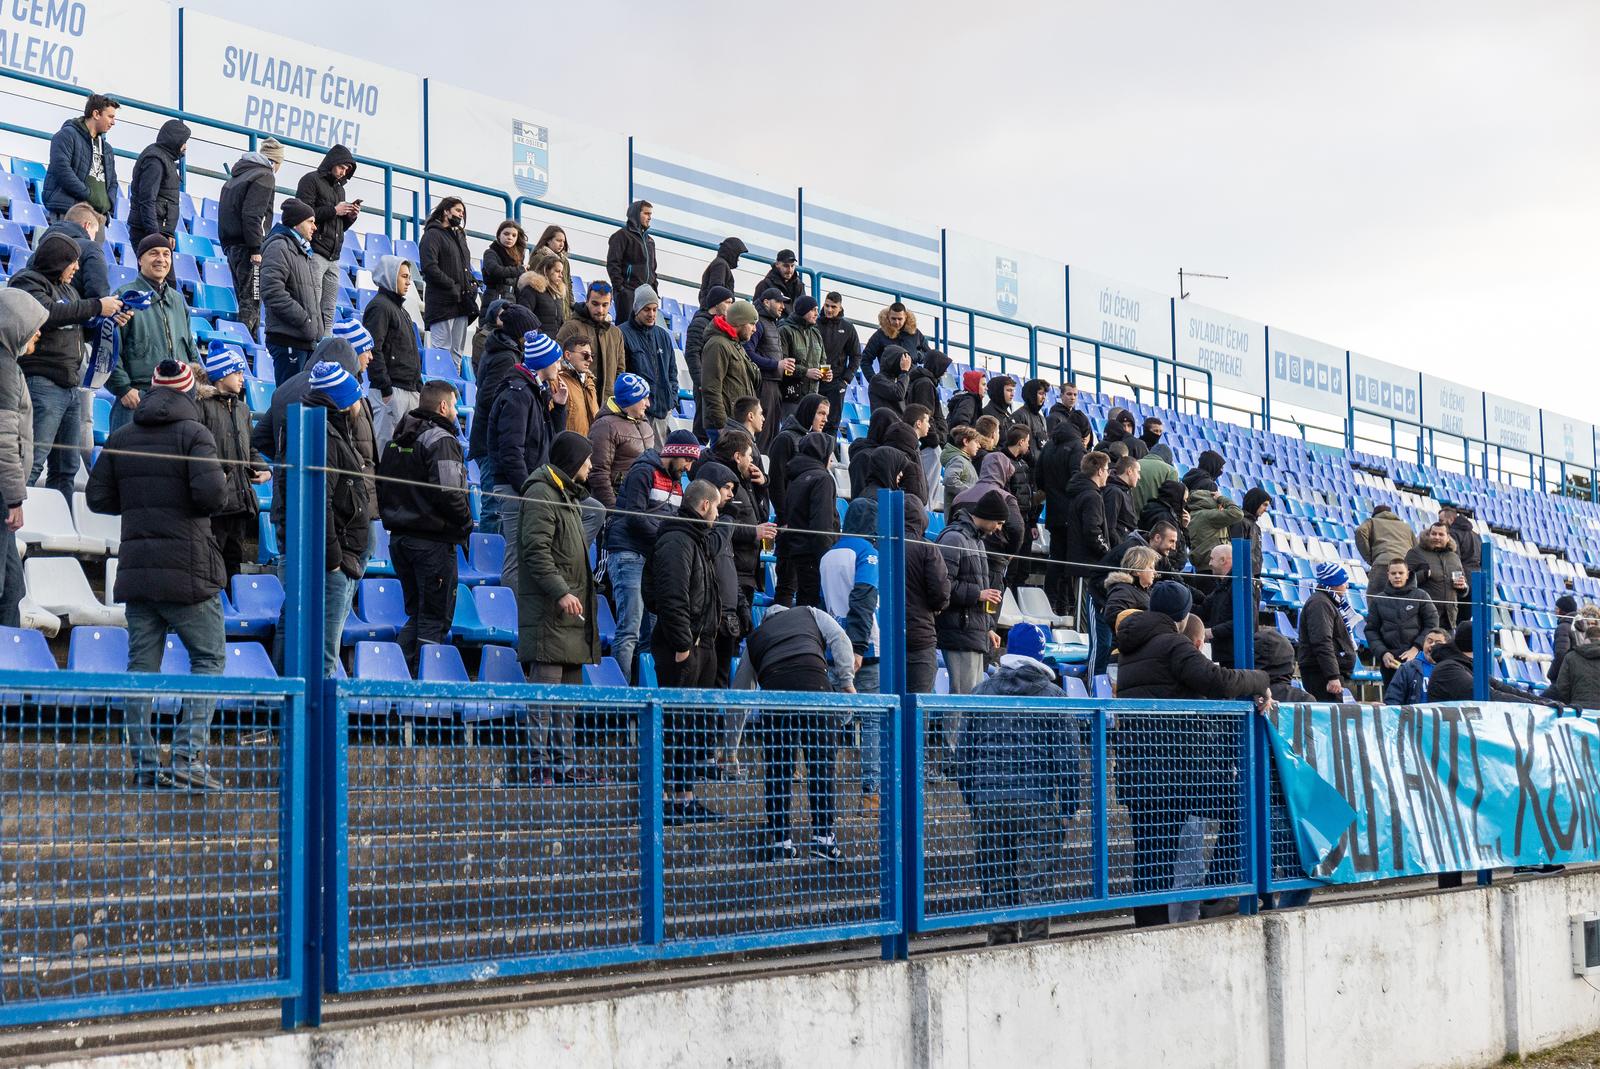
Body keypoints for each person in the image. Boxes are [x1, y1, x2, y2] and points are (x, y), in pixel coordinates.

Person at [87, 359, 228, 790]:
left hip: (139, 573)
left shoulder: (123, 435)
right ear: (187, 392)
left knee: (140, 669)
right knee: (209, 659)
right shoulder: (195, 435)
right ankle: (187, 757)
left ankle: (146, 765)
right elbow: (212, 496)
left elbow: (97, 498)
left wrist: (140, 502)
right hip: (189, 572)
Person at [1112, 581, 1271, 926]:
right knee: (1243, 808)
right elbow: (1219, 681)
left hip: (1140, 769)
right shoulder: (1172, 643)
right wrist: (1259, 679)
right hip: (1178, 768)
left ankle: (1150, 929)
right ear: (1183, 616)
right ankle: (1218, 891)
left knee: (1152, 855)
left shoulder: (1132, 646)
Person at [955, 622, 1072, 945]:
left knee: (996, 879)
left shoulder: (981, 692)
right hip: (1038, 801)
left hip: (988, 799)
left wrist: (973, 801)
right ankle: (1036, 949)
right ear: (1040, 654)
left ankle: (1001, 946)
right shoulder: (1054, 696)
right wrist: (1068, 808)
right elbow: (1068, 759)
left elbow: (964, 754)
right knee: (1037, 883)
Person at [732, 601, 857, 860]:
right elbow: (840, 638)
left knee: (779, 769)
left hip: (776, 693)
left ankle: (781, 841)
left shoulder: (756, 638)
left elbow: (739, 695)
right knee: (821, 765)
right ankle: (823, 838)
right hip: (815, 685)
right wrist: (846, 682)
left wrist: (730, 748)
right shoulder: (809, 613)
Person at [513, 432, 600, 784]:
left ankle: (565, 763)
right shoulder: (540, 493)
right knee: (544, 698)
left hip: (571, 618)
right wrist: (562, 592)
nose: (591, 467)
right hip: (551, 615)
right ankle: (539, 764)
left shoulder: (569, 497)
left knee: (568, 702)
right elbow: (536, 551)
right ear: (572, 463)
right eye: (587, 460)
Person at [10, 232, 124, 494]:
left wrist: (109, 320)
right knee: (31, 462)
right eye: (72, 261)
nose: (76, 267)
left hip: (70, 387)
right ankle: (13, 525)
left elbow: (77, 327)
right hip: (42, 384)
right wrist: (96, 306)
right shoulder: (27, 282)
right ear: (58, 259)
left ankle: (57, 523)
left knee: (66, 468)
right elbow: (47, 313)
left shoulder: (70, 290)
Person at [375, 380, 473, 671]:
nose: (456, 411)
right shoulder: (441, 440)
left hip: (400, 539)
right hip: (432, 544)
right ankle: (424, 689)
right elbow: (449, 492)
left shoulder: (397, 438)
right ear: (443, 406)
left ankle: (393, 677)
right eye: (454, 405)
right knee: (434, 620)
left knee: (417, 616)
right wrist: (466, 523)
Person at [651, 480, 723, 821]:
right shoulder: (677, 540)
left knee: (693, 725)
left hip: (701, 645)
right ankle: (667, 798)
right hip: (683, 647)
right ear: (705, 506)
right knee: (677, 723)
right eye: (718, 507)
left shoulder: (697, 540)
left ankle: (685, 796)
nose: (719, 513)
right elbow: (671, 596)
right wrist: (682, 644)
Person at [608, 430, 699, 682]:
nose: (689, 467)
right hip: (629, 554)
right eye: (687, 460)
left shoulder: (678, 483)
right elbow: (635, 516)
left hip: (653, 559)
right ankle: (621, 701)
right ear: (675, 453)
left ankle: (645, 693)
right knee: (630, 631)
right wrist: (667, 540)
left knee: (654, 634)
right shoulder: (643, 471)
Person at [301, 361, 372, 675]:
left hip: (348, 556)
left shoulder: (335, 432)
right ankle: (322, 723)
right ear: (343, 402)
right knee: (324, 656)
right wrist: (334, 559)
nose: (360, 405)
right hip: (337, 560)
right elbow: (322, 502)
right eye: (355, 398)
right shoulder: (327, 437)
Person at [492, 332, 567, 589]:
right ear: (543, 362)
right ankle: (511, 621)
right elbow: (511, 450)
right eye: (556, 361)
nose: (559, 366)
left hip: (528, 486)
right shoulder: (519, 394)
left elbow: (551, 440)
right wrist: (527, 489)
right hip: (517, 489)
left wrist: (558, 408)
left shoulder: (534, 390)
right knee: (516, 559)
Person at [105, 236, 197, 437]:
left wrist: (199, 382)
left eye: (166, 254)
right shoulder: (125, 296)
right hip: (138, 398)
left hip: (177, 399)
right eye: (153, 253)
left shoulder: (178, 300)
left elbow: (190, 345)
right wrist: (123, 389)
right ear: (140, 260)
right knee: (127, 464)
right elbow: (108, 348)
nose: (161, 259)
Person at [822, 502, 882, 798]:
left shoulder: (829, 553)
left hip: (834, 646)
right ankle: (871, 791)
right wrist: (858, 647)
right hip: (865, 648)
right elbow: (864, 598)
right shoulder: (868, 553)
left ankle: (824, 786)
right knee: (871, 720)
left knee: (834, 719)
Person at [196, 348, 268, 581]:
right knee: (211, 567)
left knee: (233, 565)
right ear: (221, 375)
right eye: (237, 372)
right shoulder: (202, 407)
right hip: (215, 504)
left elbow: (251, 449)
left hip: (240, 503)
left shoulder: (243, 409)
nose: (242, 377)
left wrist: (263, 468)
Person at [935, 490, 1008, 697]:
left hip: (972, 633)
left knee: (972, 698)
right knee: (961, 698)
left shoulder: (976, 541)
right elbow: (943, 585)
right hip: (957, 633)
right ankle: (953, 732)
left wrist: (987, 628)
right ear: (989, 516)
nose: (999, 529)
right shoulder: (954, 538)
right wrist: (978, 594)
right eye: (999, 523)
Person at [0, 291, 44, 626]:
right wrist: (15, 497)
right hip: (2, 496)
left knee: (11, 591)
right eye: (33, 326)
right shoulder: (3, 369)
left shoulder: (8, 365)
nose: (38, 333)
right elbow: (2, 440)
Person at [217, 137, 284, 337]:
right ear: (275, 161)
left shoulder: (238, 175)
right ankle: (246, 345)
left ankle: (247, 345)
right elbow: (253, 214)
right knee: (252, 300)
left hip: (232, 244)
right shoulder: (265, 176)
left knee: (243, 298)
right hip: (249, 247)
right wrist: (256, 248)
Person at [295, 145, 360, 333]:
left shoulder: (340, 190)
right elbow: (302, 214)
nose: (343, 172)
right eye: (341, 167)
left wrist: (350, 217)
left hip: (334, 257)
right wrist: (334, 210)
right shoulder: (310, 180)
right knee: (312, 303)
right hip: (314, 251)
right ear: (332, 163)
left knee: (329, 310)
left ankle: (325, 345)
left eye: (347, 169)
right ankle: (310, 343)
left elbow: (338, 225)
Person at [362, 255, 423, 450]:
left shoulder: (399, 308)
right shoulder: (379, 307)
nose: (408, 282)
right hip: (391, 392)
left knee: (403, 454)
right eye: (404, 276)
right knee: (385, 449)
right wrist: (385, 389)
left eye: (409, 277)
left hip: (408, 389)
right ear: (389, 276)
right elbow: (373, 349)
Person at [260, 198, 324, 383]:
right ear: (297, 223)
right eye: (310, 222)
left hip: (303, 341)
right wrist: (306, 320)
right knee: (290, 405)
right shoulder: (279, 247)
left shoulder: (303, 251)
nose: (315, 227)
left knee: (302, 406)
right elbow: (272, 292)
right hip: (288, 340)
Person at [777, 431, 840, 608]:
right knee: (814, 611)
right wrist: (827, 560)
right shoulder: (822, 479)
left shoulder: (796, 479)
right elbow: (821, 525)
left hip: (798, 554)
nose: (832, 460)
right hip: (815, 557)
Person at [767, 392, 830, 560]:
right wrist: (784, 517)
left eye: (826, 415)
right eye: (821, 413)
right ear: (809, 411)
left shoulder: (814, 441)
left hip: (805, 522)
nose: (825, 419)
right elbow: (776, 483)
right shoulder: (785, 439)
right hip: (790, 524)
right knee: (787, 580)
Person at [1063, 451, 1112, 659]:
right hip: (1086, 566)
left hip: (1084, 565)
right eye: (1107, 470)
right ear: (1100, 470)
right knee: (1085, 624)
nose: (1109, 474)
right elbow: (1093, 532)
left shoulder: (1084, 493)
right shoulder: (1091, 496)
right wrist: (1108, 554)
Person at [43, 93, 118, 224]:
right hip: (69, 212)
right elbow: (62, 170)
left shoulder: (107, 149)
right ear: (96, 114)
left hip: (98, 217)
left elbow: (113, 182)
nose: (113, 122)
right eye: (110, 117)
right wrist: (88, 195)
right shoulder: (67, 135)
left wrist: (107, 203)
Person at [419, 198, 478, 363]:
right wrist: (452, 286)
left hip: (462, 303)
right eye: (458, 210)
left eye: (462, 212)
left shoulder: (460, 236)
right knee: (441, 352)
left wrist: (472, 284)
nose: (461, 215)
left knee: (456, 354)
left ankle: (454, 389)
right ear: (446, 211)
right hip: (442, 303)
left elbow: (465, 266)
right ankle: (440, 387)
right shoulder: (432, 234)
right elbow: (429, 267)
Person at [1367, 558, 1441, 689]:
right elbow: (1371, 630)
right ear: (1388, 574)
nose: (1397, 576)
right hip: (1390, 663)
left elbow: (1432, 624)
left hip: (1418, 660)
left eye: (1401, 573)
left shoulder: (1421, 596)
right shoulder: (1378, 600)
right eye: (1393, 573)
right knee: (1392, 702)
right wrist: (1383, 653)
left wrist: (1416, 649)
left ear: (1408, 574)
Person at [585, 372, 655, 510]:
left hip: (642, 503)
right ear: (631, 399)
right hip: (619, 506)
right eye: (644, 398)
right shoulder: (605, 426)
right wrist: (613, 509)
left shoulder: (645, 423)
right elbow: (598, 473)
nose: (648, 404)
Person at [618, 285, 677, 445]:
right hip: (636, 414)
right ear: (637, 309)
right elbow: (620, 374)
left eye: (654, 309)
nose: (651, 314)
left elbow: (672, 372)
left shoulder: (663, 336)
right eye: (646, 309)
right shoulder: (621, 334)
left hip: (662, 413)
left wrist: (672, 398)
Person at [555, 282, 625, 408]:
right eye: (595, 304)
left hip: (606, 404)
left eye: (605, 305)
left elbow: (620, 371)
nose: (600, 310)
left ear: (610, 304)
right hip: (577, 402)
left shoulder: (616, 334)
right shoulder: (571, 327)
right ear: (587, 301)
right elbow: (557, 362)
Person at [1037, 422, 1084, 614]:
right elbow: (1078, 478)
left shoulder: (1048, 445)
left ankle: (1051, 602)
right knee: (1070, 562)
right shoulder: (1076, 447)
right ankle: (1067, 607)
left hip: (1054, 512)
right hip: (1072, 513)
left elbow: (1038, 477)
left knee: (1056, 558)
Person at [699, 299, 762, 435]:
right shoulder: (718, 345)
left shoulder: (735, 345)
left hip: (737, 424)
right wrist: (722, 426)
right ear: (740, 322)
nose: (754, 329)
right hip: (726, 427)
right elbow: (711, 389)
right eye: (752, 324)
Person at [1298, 562, 1359, 701]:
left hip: (1328, 672)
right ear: (1334, 583)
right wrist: (1332, 676)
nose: (1347, 586)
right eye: (1344, 582)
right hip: (1322, 675)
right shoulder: (1320, 603)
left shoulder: (1328, 601)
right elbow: (1322, 641)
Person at [126, 119, 190, 248]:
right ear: (175, 140)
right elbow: (147, 199)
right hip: (150, 232)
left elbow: (166, 199)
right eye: (184, 142)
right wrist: (154, 235)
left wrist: (169, 233)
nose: (185, 146)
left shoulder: (166, 159)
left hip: (159, 232)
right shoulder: (155, 160)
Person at [685, 285, 733, 438]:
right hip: (705, 386)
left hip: (720, 385)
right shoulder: (699, 324)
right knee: (703, 428)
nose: (730, 306)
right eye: (727, 302)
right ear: (716, 303)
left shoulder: (724, 326)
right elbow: (692, 355)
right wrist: (701, 383)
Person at [39, 202, 108, 300]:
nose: (94, 238)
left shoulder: (45, 243)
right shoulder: (91, 247)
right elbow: (99, 293)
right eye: (95, 232)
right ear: (87, 225)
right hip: (74, 310)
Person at [1405, 522, 1468, 630]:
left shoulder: (1454, 557)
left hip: (1449, 619)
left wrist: (1463, 587)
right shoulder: (1415, 553)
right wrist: (1423, 575)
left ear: (1448, 537)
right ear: (1429, 535)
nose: (1437, 537)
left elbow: (1464, 588)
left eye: (1441, 534)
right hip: (1423, 618)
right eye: (1434, 534)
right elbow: (1404, 582)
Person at [749, 288, 790, 445]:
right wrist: (775, 365)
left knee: (772, 435)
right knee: (762, 436)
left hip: (774, 384)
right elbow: (748, 353)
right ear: (766, 302)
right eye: (778, 302)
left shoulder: (772, 323)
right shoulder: (758, 323)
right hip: (763, 384)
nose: (782, 306)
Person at [606, 201, 657, 324]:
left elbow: (653, 268)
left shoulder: (650, 241)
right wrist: (622, 290)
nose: (649, 217)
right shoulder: (621, 236)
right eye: (646, 213)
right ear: (635, 214)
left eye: (650, 214)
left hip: (646, 294)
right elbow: (613, 264)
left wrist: (654, 288)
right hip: (628, 294)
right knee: (625, 331)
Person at [817, 292, 860, 435]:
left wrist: (846, 380)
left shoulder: (848, 328)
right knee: (812, 421)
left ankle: (828, 455)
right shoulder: (814, 324)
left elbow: (856, 356)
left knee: (832, 424)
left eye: (833, 307)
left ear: (840, 307)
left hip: (836, 383)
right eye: (827, 305)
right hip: (815, 380)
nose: (829, 310)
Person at [779, 294, 826, 418]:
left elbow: (823, 359)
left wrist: (825, 373)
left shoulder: (816, 332)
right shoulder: (785, 330)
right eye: (813, 310)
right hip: (792, 396)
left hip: (812, 396)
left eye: (817, 310)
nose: (817, 313)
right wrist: (806, 372)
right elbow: (783, 364)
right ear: (802, 310)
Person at [1542, 612, 1600, 709]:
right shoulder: (1570, 656)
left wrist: (1572, 703)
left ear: (1585, 638)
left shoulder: (1571, 657)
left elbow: (1562, 688)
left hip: (1578, 710)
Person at [860, 301, 930, 378]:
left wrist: (918, 355)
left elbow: (929, 355)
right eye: (893, 318)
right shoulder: (880, 335)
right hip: (889, 383)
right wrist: (874, 381)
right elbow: (865, 360)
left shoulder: (915, 334)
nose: (896, 322)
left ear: (905, 317)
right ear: (888, 317)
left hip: (912, 382)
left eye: (900, 319)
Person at [1355, 505, 1417, 591]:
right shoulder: (1406, 526)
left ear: (1375, 515)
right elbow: (1416, 548)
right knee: (1405, 600)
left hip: (1382, 563)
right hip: (1405, 566)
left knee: (1376, 599)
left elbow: (1360, 531)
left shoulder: (1372, 521)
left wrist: (1369, 557)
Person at [1384, 628, 1450, 705]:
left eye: (1438, 643)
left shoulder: (1454, 670)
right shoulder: (1407, 668)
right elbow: (1393, 699)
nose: (1432, 645)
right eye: (1429, 641)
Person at [1440, 504, 1481, 624]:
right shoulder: (1476, 535)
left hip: (1462, 580)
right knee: (1465, 620)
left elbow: (1454, 559)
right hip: (1476, 581)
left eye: (1441, 521)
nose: (1440, 524)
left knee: (1454, 620)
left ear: (1450, 519)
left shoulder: (1453, 533)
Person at [1186, 485, 1246, 569]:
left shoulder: (1193, 514)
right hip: (1214, 565)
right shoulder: (1209, 515)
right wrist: (1221, 498)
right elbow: (1238, 513)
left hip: (1203, 564)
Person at [1103, 545, 1159, 633]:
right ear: (1137, 570)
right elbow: (1113, 615)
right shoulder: (1123, 590)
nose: (1155, 572)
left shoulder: (1144, 590)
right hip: (1128, 644)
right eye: (1151, 567)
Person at [555, 335, 599, 438]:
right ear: (568, 355)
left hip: (590, 446)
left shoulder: (589, 380)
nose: (590, 360)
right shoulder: (558, 381)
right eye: (585, 355)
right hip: (570, 448)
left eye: (592, 355)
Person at [516, 249, 568, 332]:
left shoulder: (558, 294)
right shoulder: (531, 290)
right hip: (537, 341)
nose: (561, 275)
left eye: (562, 272)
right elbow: (524, 318)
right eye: (557, 271)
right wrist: (540, 337)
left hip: (554, 342)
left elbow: (559, 322)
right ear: (546, 270)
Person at [481, 220, 527, 306]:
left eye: (514, 235)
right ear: (499, 235)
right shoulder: (490, 253)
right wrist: (519, 270)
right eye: (506, 234)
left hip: (512, 300)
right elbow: (495, 270)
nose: (510, 237)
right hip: (494, 298)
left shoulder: (517, 257)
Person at [1102, 454, 1140, 546]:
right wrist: (1122, 548)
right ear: (1129, 471)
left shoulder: (1127, 490)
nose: (1139, 477)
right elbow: (1110, 527)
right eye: (1138, 472)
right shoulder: (1114, 492)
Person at [1012, 379, 1050, 468]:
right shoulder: (1019, 415)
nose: (1043, 397)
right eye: (1040, 393)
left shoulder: (1042, 419)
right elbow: (1017, 446)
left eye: (1044, 394)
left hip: (1039, 469)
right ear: (1031, 394)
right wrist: (1034, 462)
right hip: (1025, 469)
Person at [942, 425, 982, 504]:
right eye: (976, 442)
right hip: (959, 513)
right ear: (966, 441)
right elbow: (950, 481)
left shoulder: (964, 460)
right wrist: (972, 493)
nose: (979, 446)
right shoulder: (958, 460)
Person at [1133, 447, 1181, 513]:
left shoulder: (1134, 464)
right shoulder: (1170, 471)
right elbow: (1171, 500)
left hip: (1128, 515)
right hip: (1152, 517)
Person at [699, 237, 746, 304]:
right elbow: (717, 291)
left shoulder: (720, 264)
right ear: (732, 254)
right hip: (714, 311)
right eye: (737, 256)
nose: (738, 259)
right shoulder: (720, 265)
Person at [869, 344, 912, 416]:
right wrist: (904, 372)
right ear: (892, 361)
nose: (905, 364)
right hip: (885, 425)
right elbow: (898, 394)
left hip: (898, 425)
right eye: (901, 361)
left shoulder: (898, 380)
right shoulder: (877, 380)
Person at [532, 225, 573, 292]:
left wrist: (571, 302)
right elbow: (533, 283)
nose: (562, 244)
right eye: (558, 240)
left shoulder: (565, 261)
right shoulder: (539, 258)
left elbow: (568, 285)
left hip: (562, 301)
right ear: (548, 240)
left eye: (563, 241)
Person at [1552, 594, 1579, 681]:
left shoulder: (1563, 627)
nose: (1555, 611)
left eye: (1557, 608)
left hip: (1563, 676)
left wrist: (1552, 674)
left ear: (1563, 611)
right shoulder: (1579, 625)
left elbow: (1561, 654)